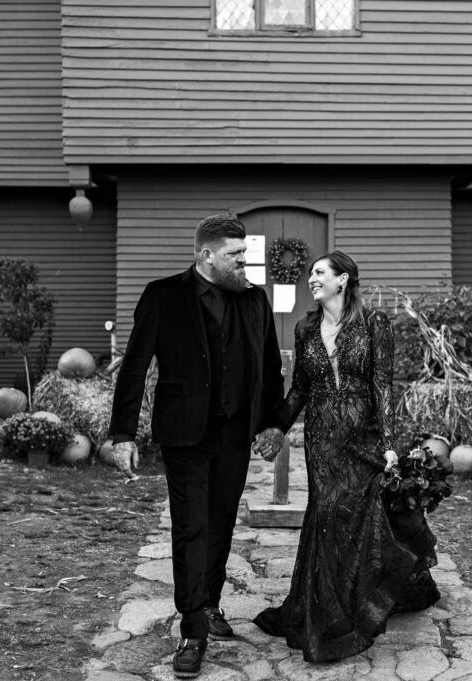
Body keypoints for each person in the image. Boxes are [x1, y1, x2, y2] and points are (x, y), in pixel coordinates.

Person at [108, 214, 286, 679]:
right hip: (184, 433)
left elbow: (269, 368)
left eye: (244, 254)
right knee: (191, 526)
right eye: (235, 255)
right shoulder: (163, 295)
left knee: (223, 522)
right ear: (206, 255)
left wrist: (272, 424)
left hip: (234, 434)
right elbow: (134, 365)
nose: (243, 262)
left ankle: (209, 602)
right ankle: (192, 629)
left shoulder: (254, 300)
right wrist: (124, 433)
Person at [251, 250, 441, 662]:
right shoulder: (305, 328)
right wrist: (276, 427)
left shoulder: (374, 325)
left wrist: (389, 443)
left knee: (363, 515)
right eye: (310, 274)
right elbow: (299, 388)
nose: (312, 279)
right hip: (323, 439)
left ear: (344, 280)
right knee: (328, 516)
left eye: (320, 273)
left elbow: (382, 388)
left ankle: (374, 594)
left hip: (365, 436)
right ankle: (332, 613)